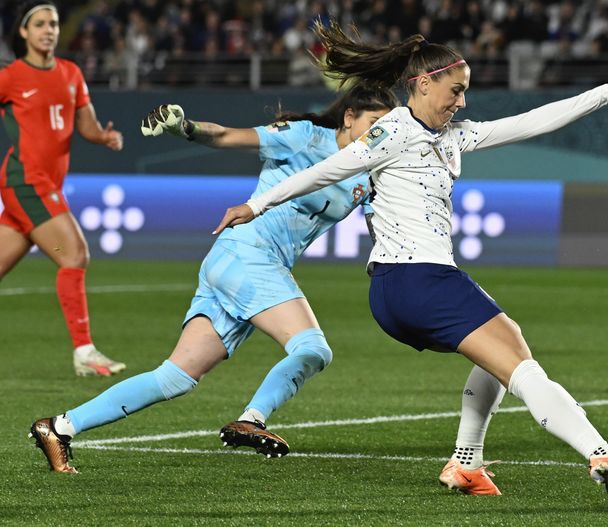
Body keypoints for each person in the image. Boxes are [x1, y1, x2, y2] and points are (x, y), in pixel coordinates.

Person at [211, 21, 608, 504]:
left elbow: (532, 120)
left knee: (504, 350)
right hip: (415, 278)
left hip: (404, 288)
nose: (462, 102)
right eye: (456, 90)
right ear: (422, 84)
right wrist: (256, 206)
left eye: (466, 92)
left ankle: (466, 465)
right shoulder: (394, 131)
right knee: (520, 366)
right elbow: (328, 170)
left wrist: (606, 93)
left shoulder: (454, 136)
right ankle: (604, 457)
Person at [29, 81, 398, 474]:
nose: (380, 134)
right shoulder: (305, 137)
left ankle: (59, 427)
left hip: (243, 265)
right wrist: (184, 128)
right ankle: (253, 419)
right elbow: (224, 135)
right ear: (348, 117)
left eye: (387, 128)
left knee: (174, 378)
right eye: (374, 123)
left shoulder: (366, 170)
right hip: (248, 255)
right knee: (313, 349)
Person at [0, 1, 126, 377]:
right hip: (25, 180)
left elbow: (85, 126)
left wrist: (103, 137)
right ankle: (84, 351)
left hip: (45, 184)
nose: (49, 30)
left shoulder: (71, 73)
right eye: (39, 24)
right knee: (74, 254)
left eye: (53, 23)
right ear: (24, 32)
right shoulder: (11, 77)